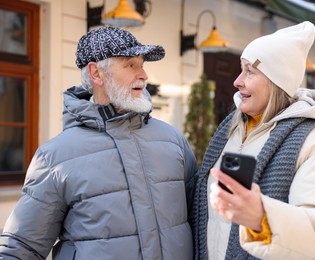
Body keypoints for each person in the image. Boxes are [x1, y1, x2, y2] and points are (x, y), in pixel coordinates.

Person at [0, 26, 197, 260]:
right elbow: (22, 246)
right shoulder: (55, 156)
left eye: (142, 64)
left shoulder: (173, 140)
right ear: (96, 73)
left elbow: (199, 221)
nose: (143, 75)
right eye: (130, 64)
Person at [190, 21, 315, 259]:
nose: (237, 81)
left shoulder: (311, 144)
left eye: (250, 71)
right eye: (240, 69)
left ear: (277, 81)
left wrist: (262, 218)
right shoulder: (230, 130)